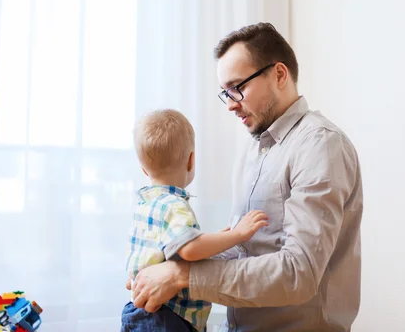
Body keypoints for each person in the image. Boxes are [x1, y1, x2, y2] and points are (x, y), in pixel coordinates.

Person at [130, 23, 364, 332]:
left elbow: (298, 273)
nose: (230, 103)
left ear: (279, 74)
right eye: (225, 92)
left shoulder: (320, 145)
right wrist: (161, 269)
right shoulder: (251, 151)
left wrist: (182, 277)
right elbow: (244, 250)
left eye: (237, 86)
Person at [121, 109, 269, 332]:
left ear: (143, 169)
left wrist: (216, 238)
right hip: (167, 316)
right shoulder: (174, 205)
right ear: (191, 161)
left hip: (139, 310)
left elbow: (172, 250)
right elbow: (190, 250)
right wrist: (237, 235)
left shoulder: (146, 204)